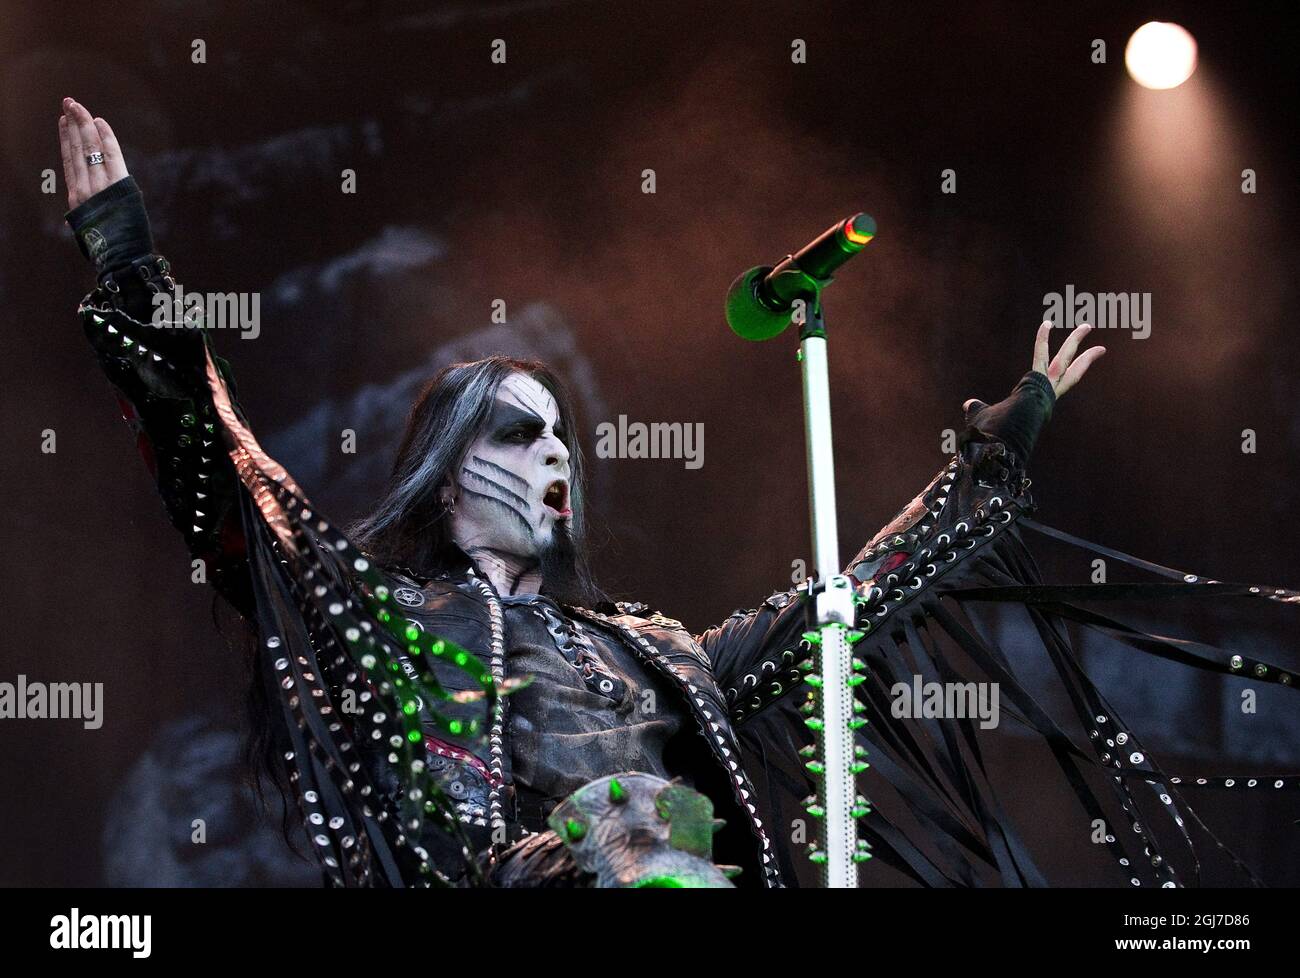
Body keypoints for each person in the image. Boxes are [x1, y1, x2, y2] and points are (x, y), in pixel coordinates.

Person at [63, 96, 1285, 889]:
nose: (554, 459)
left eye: (562, 442)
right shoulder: (384, 624)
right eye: (517, 434)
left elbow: (854, 601)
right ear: (441, 475)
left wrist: (1002, 445)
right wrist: (125, 248)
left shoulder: (658, 655)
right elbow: (237, 481)